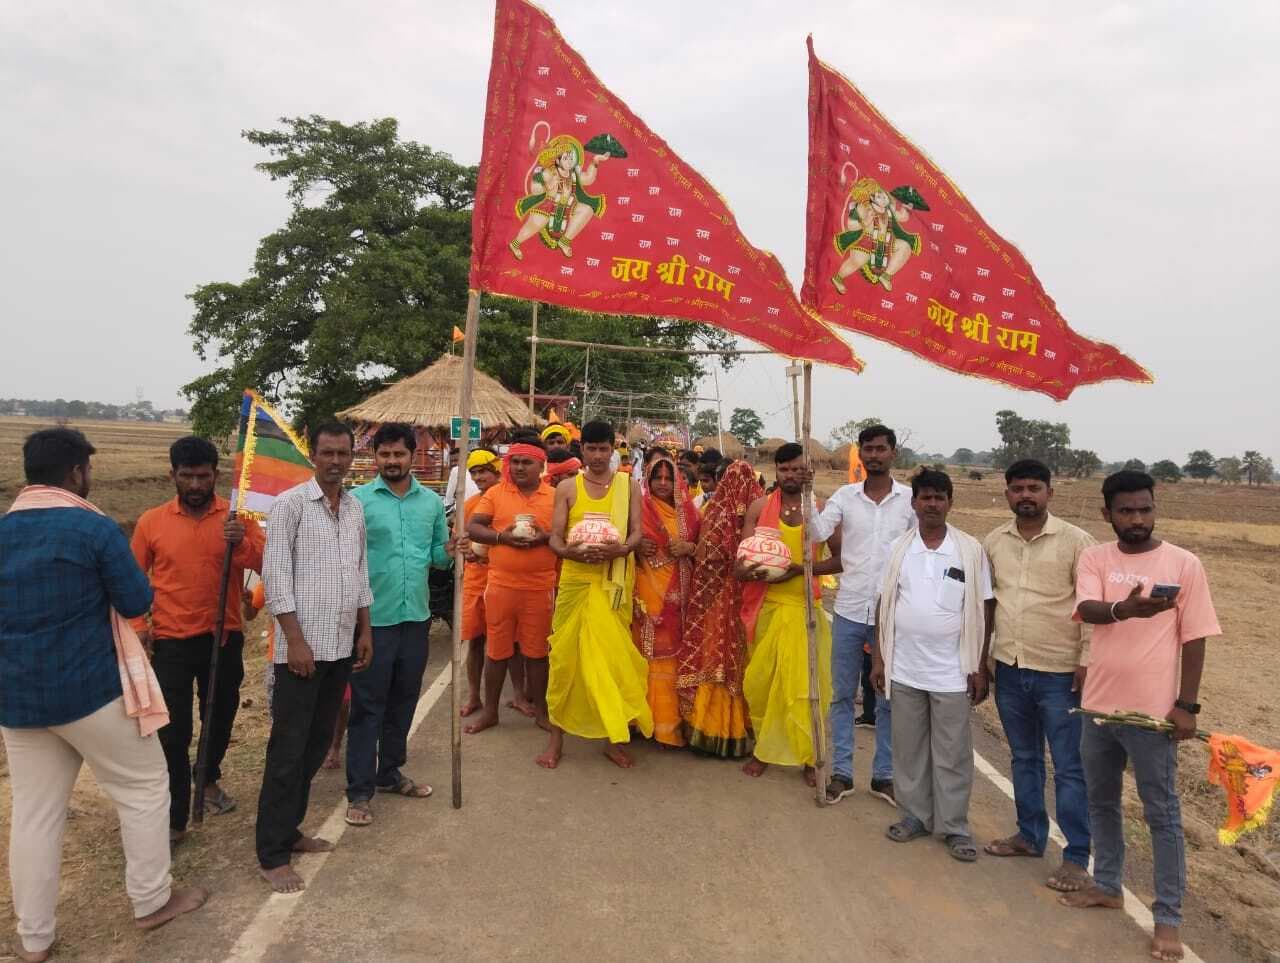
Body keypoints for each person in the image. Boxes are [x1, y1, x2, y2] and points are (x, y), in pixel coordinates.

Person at [1, 429, 206, 961]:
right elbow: (137, 596)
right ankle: (151, 901)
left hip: (18, 699)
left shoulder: (3, 530)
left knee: (34, 814)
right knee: (144, 786)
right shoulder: (91, 527)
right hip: (89, 688)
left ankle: (35, 939)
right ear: (76, 473)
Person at [1061, 471, 1219, 963]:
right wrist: (1123, 610)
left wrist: (1187, 706)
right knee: (1102, 803)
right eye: (1126, 511)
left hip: (1152, 717)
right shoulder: (1095, 557)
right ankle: (1107, 884)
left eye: (1144, 509)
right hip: (1098, 709)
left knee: (1162, 816)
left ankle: (1168, 919)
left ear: (1155, 509)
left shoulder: (1183, 564)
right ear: (1107, 514)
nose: (1137, 519)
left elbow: (1195, 638)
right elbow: (1086, 608)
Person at [130, 435, 265, 843]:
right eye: (186, 476)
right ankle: (174, 815)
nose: (194, 486)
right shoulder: (151, 522)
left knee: (220, 716)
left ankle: (207, 779)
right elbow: (132, 581)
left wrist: (240, 539)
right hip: (169, 642)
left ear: (216, 476)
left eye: (202, 477)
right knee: (173, 730)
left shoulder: (238, 519)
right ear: (172, 475)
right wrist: (139, 627)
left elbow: (265, 562)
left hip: (222, 638)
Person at [257, 422, 374, 893]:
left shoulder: (354, 509)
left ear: (351, 456)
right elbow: (276, 577)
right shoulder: (289, 507)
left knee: (314, 743)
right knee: (287, 751)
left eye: (343, 453)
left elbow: (360, 573)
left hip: (341, 646)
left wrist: (365, 631)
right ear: (314, 455)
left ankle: (290, 831)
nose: (335, 461)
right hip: (300, 653)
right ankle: (271, 853)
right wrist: (295, 640)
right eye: (327, 453)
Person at [982, 459, 1096, 892]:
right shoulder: (994, 541)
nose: (1025, 495)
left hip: (1060, 673)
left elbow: (1090, 608)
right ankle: (1030, 836)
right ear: (1007, 493)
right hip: (1010, 668)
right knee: (1024, 758)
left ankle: (1076, 857)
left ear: (1050, 492)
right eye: (1017, 489)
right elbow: (988, 605)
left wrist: (1086, 661)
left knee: (1069, 768)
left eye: (1033, 488)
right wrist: (983, 660)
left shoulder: (1076, 542)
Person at [871, 469, 992, 862]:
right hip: (904, 668)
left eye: (940, 497)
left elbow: (985, 607)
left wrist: (980, 664)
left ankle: (954, 826)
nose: (933, 504)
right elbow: (883, 603)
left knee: (953, 752)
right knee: (908, 749)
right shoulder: (898, 549)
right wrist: (879, 657)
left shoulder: (969, 550)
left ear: (951, 502)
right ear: (915, 503)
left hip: (952, 672)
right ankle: (915, 816)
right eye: (926, 497)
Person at [345, 424, 451, 827]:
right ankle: (359, 789)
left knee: (404, 700)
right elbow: (348, 563)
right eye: (385, 454)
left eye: (399, 454)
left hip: (416, 619)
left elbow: (440, 560)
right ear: (375, 458)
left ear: (412, 457)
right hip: (374, 621)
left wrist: (453, 549)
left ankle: (389, 772)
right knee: (367, 706)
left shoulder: (431, 504)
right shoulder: (358, 503)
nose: (392, 461)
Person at [807, 424, 914, 806]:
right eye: (867, 449)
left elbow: (920, 550)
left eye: (880, 449)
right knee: (841, 694)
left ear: (893, 453)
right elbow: (817, 533)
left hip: (892, 615)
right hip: (851, 608)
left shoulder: (910, 501)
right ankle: (842, 773)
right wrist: (808, 495)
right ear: (862, 454)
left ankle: (883, 776)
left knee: (887, 695)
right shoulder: (845, 496)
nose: (874, 455)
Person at [539, 420, 651, 769]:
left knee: (614, 661)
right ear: (582, 449)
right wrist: (573, 553)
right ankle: (556, 740)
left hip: (613, 581)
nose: (598, 456)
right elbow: (555, 538)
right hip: (576, 581)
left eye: (605, 449)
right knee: (564, 660)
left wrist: (618, 552)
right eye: (592, 449)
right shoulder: (568, 488)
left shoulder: (629, 486)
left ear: (613, 450)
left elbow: (636, 535)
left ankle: (613, 740)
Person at [737, 443, 841, 787]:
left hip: (804, 611)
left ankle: (809, 757)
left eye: (799, 469)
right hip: (767, 607)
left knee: (806, 687)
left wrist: (800, 569)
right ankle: (763, 751)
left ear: (808, 471)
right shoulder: (758, 507)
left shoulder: (821, 511)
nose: (792, 475)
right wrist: (759, 569)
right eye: (786, 469)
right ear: (776, 471)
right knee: (763, 684)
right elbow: (741, 564)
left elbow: (840, 560)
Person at [465, 438, 558, 734]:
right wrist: (501, 538)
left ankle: (542, 711)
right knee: (497, 651)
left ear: (541, 466)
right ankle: (490, 711)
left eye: (526, 462)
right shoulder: (495, 492)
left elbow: (565, 531)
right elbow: (474, 527)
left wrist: (545, 537)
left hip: (540, 587)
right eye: (514, 461)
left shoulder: (555, 495)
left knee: (537, 653)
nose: (518, 467)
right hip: (500, 585)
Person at [677, 460, 762, 757]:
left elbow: (706, 556)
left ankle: (708, 728)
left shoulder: (715, 513)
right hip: (743, 600)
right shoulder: (759, 512)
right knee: (737, 660)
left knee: (714, 657)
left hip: (715, 600)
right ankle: (738, 731)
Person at [633, 453, 700, 747]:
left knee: (673, 656)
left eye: (668, 477)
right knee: (644, 654)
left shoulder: (691, 512)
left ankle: (667, 728)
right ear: (647, 479)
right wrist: (636, 546)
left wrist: (688, 546)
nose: (662, 483)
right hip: (645, 589)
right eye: (657, 477)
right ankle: (639, 721)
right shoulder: (638, 508)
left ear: (677, 481)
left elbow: (706, 550)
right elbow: (623, 540)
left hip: (679, 596)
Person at [459, 449, 503, 718]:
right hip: (475, 580)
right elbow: (460, 540)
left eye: (483, 471)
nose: (478, 477)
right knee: (474, 641)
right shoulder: (469, 505)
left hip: (502, 579)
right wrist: (464, 549)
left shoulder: (508, 501)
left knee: (504, 644)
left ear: (497, 471)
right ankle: (474, 695)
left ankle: (511, 697)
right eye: (474, 472)